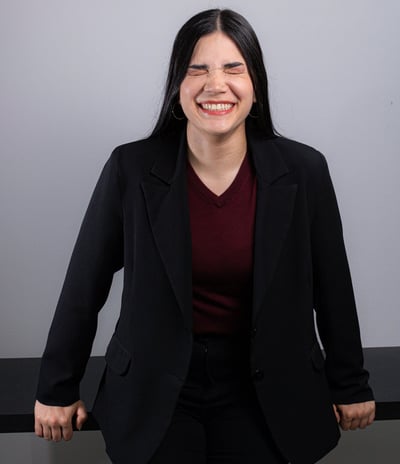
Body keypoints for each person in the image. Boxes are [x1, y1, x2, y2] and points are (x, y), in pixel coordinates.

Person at [34, 8, 375, 464]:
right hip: (156, 390)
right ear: (178, 87)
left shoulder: (304, 170)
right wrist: (56, 388)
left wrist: (350, 383)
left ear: (256, 85)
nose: (216, 84)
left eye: (233, 68)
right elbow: (84, 286)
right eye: (198, 70)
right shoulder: (131, 169)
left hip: (266, 388)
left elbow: (333, 287)